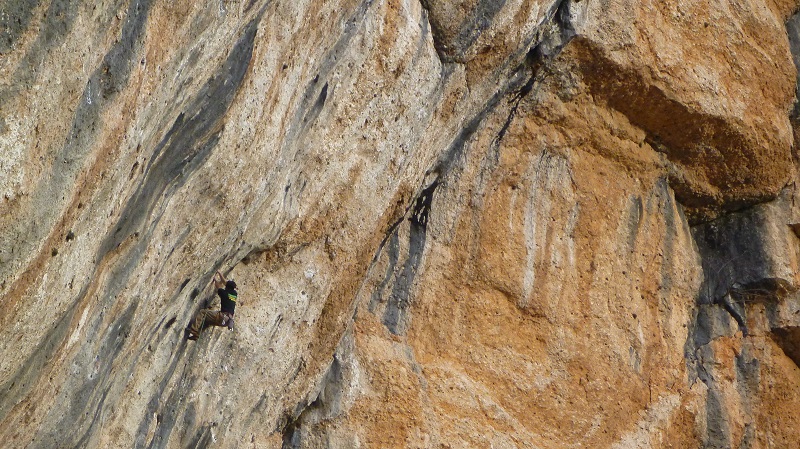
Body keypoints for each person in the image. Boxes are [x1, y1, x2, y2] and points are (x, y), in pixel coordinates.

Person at [187, 271, 237, 340]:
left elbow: (218, 286)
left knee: (203, 312)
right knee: (208, 321)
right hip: (226, 321)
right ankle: (196, 335)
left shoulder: (224, 293)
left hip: (222, 316)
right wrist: (219, 273)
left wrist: (215, 279)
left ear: (227, 287)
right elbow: (225, 283)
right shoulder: (234, 294)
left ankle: (193, 331)